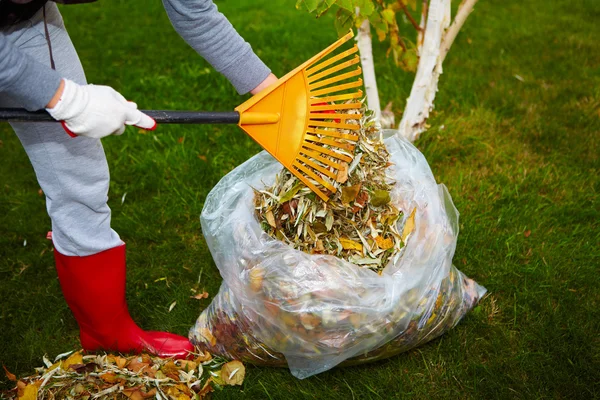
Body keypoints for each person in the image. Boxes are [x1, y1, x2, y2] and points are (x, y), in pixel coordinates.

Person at [0, 0, 278, 359]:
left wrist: (273, 94)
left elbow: (193, 10)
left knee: (79, 175)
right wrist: (66, 98)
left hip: (25, 20)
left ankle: (106, 331)